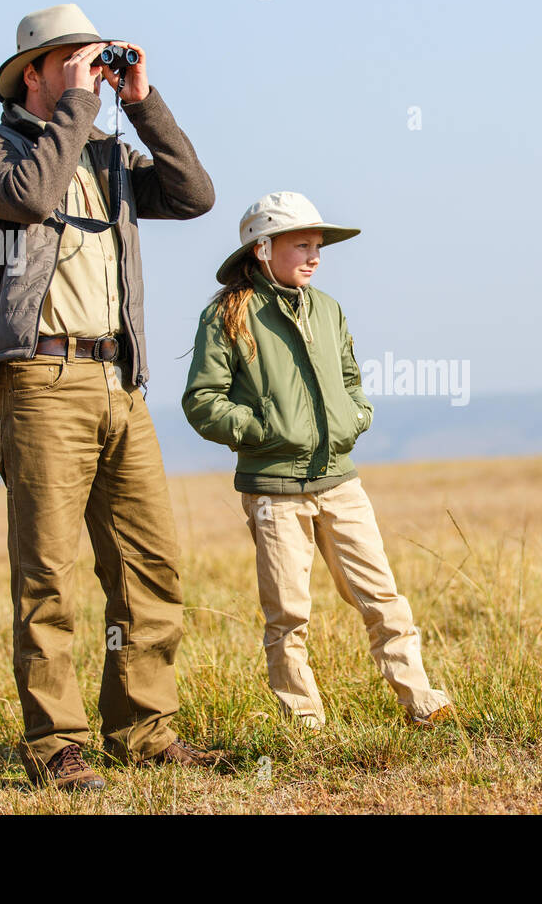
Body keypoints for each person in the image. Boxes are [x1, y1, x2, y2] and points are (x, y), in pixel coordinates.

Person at [0, 3, 219, 789]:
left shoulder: (107, 154)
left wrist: (141, 100)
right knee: (46, 572)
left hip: (119, 380)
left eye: (91, 57)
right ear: (31, 74)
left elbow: (194, 193)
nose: (86, 69)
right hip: (39, 379)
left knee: (150, 565)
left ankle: (141, 729)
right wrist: (77, 105)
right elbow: (33, 198)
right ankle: (55, 746)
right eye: (68, 59)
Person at [181, 191, 454, 728]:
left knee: (382, 595)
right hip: (272, 490)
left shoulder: (327, 309)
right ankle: (303, 719)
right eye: (302, 244)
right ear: (263, 249)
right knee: (287, 612)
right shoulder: (225, 316)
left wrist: (357, 416)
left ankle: (420, 700)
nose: (315, 256)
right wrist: (262, 431)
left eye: (318, 245)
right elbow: (202, 400)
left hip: (340, 482)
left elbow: (351, 379)